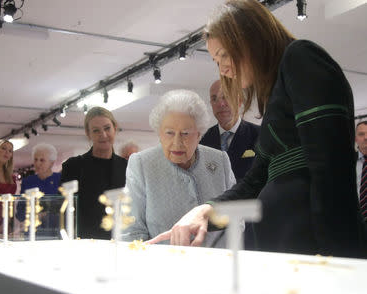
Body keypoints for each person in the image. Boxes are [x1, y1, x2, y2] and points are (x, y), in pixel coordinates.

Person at [149, 0, 364, 258]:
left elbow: (330, 163)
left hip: (313, 249)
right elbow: (255, 180)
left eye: (224, 55)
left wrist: (335, 253)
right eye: (217, 61)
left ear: (249, 37)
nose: (224, 69)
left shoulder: (301, 56)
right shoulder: (276, 92)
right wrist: (205, 211)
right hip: (288, 246)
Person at [122, 90, 236, 246]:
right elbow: (131, 231)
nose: (177, 142)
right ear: (159, 133)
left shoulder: (219, 160)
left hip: (217, 262)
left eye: (185, 133)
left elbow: (236, 215)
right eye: (169, 133)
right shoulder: (142, 164)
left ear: (199, 134)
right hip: (164, 265)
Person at [60, 107, 127, 239]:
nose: (103, 135)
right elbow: (63, 208)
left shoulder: (127, 167)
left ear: (115, 128)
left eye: (107, 128)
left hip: (119, 242)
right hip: (84, 242)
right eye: (96, 130)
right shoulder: (73, 166)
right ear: (88, 133)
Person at [200, 80, 259, 182]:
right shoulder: (202, 140)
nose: (220, 104)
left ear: (239, 101)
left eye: (226, 97)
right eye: (214, 99)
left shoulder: (260, 134)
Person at [18, 143, 61, 236]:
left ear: (52, 163)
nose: (37, 163)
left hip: (54, 232)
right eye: (35, 159)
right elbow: (20, 210)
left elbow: (62, 209)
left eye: (42, 160)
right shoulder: (28, 181)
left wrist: (46, 215)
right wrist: (32, 215)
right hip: (32, 232)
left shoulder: (60, 179)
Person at [355, 121, 367, 224]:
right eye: (361, 134)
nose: (366, 138)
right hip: (355, 222)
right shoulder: (346, 162)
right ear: (356, 139)